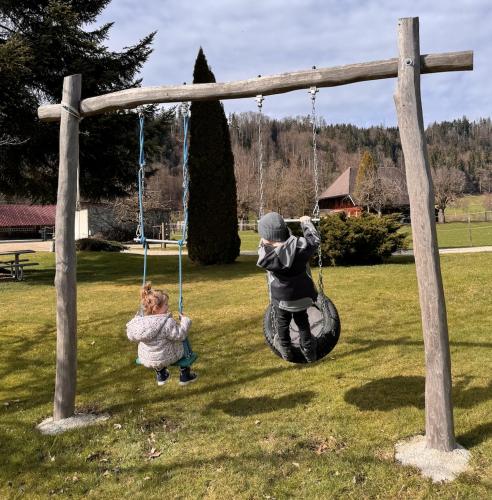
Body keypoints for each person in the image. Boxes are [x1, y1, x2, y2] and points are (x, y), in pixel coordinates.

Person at [257, 212, 320, 362]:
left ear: (266, 238)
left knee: (282, 322)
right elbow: (315, 239)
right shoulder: (302, 246)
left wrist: (268, 240)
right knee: (302, 321)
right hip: (303, 296)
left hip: (282, 299)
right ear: (285, 232)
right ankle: (309, 349)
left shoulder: (265, 256)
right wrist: (306, 223)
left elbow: (265, 244)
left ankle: (285, 348)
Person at [126, 282, 197, 386]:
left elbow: (130, 335)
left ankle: (161, 375)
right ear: (156, 308)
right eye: (166, 304)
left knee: (156, 350)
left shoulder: (139, 322)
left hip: (146, 357)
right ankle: (185, 375)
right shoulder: (167, 322)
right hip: (168, 356)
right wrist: (185, 321)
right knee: (182, 343)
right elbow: (180, 334)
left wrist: (137, 318)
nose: (168, 306)